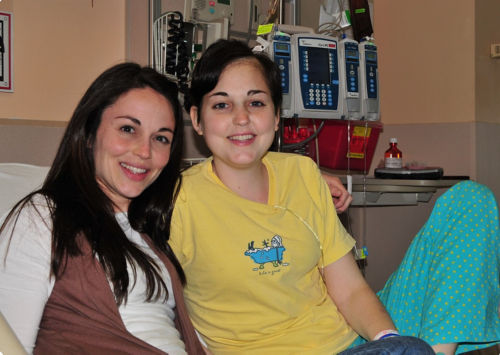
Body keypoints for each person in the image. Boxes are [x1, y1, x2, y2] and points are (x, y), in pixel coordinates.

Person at [169, 39, 500, 354]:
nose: (241, 118)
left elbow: (351, 290)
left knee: (471, 200)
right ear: (197, 119)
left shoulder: (303, 175)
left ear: (276, 116)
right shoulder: (178, 203)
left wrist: (388, 341)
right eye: (222, 104)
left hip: (351, 343)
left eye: (256, 102)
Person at [0, 63, 205, 354]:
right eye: (127, 129)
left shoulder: (149, 233)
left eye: (161, 138)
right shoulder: (44, 218)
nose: (144, 152)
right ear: (89, 133)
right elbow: (8, 345)